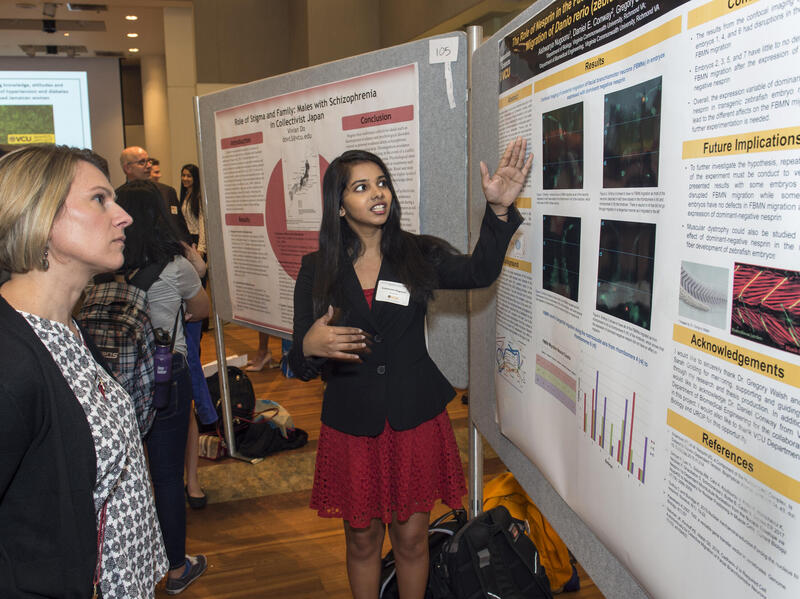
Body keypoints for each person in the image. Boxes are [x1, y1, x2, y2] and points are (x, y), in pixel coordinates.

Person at [288, 138, 532, 598]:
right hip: (352, 425)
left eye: (382, 183)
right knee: (361, 539)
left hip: (413, 418)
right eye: (360, 187)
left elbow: (478, 272)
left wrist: (498, 212)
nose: (377, 193)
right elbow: (298, 364)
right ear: (338, 206)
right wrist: (309, 344)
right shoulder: (315, 268)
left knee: (412, 538)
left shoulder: (417, 254)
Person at [0, 145, 168, 597]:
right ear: (41, 216)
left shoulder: (66, 328)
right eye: (99, 199)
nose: (123, 216)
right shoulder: (11, 362)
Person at [116, 180, 210, 594]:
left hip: (115, 379)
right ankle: (176, 570)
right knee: (167, 477)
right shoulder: (175, 266)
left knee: (127, 476)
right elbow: (201, 310)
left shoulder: (106, 264)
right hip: (164, 377)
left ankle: (131, 566)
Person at [120, 146, 190, 242]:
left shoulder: (167, 192)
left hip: (167, 253)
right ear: (128, 168)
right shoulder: (119, 196)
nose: (149, 166)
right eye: (142, 162)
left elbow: (179, 227)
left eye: (149, 161)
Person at [179, 163, 207, 256]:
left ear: (195, 178)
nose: (185, 178)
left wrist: (201, 248)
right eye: (183, 175)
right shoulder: (184, 195)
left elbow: (202, 221)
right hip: (187, 239)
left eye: (189, 176)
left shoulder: (199, 196)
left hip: (198, 239)